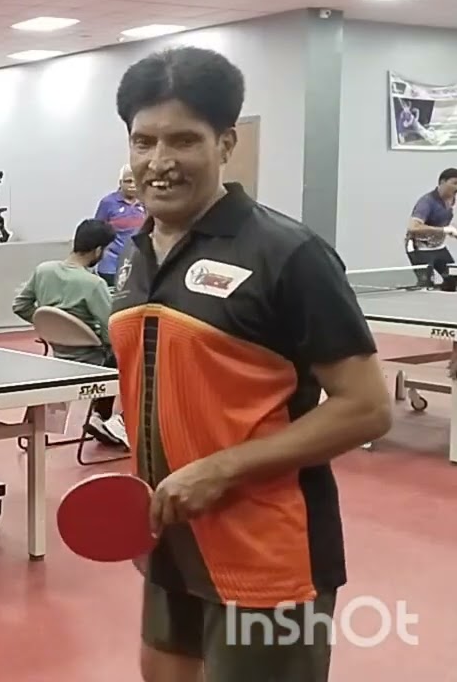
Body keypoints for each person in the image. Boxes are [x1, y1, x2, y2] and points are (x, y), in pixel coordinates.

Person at [109, 46, 392, 682]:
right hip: (169, 539)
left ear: (225, 142)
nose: (159, 162)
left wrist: (221, 468)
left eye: (183, 140)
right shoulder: (134, 256)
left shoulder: (287, 253)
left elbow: (367, 407)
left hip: (268, 549)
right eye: (143, 140)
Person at [12, 218, 127, 447]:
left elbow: (20, 306)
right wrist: (92, 337)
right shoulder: (94, 284)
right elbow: (110, 329)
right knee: (130, 357)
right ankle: (105, 419)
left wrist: (50, 327)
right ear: (98, 250)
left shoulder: (43, 270)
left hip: (57, 354)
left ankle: (100, 418)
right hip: (91, 360)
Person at [404, 167, 457, 287]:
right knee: (426, 284)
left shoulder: (451, 198)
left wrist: (452, 230)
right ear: (442, 182)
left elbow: (441, 221)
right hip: (420, 249)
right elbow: (413, 227)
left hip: (438, 246)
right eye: (455, 183)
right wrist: (444, 230)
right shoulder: (426, 202)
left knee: (453, 278)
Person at [93, 164, 147, 286]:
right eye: (128, 181)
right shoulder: (108, 203)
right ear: (120, 182)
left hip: (137, 262)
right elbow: (97, 231)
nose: (132, 185)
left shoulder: (145, 202)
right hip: (111, 264)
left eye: (135, 181)